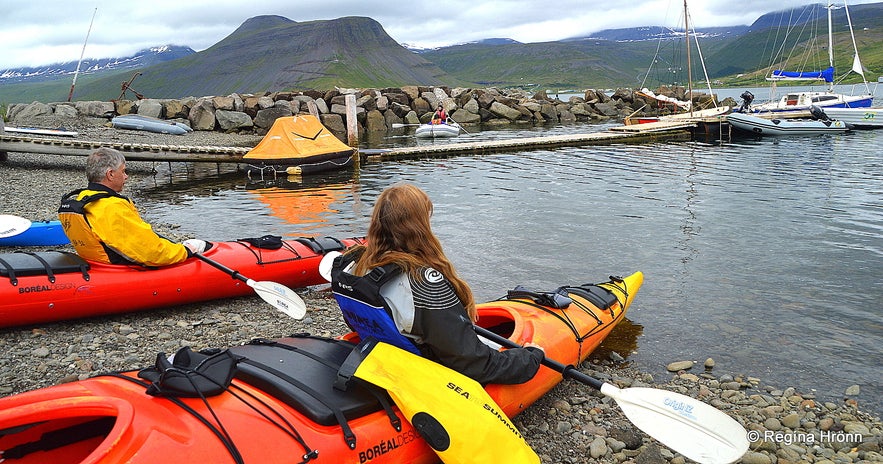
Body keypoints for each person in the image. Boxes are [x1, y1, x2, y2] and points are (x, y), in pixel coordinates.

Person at [331, 183, 544, 385]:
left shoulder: (355, 266)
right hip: (424, 368)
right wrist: (529, 358)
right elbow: (473, 363)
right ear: (420, 227)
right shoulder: (424, 282)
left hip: (391, 349)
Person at [59, 147, 207, 266]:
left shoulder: (82, 199)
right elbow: (151, 253)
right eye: (123, 171)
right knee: (197, 246)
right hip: (117, 268)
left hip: (97, 262)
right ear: (110, 174)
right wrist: (186, 250)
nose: (126, 176)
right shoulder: (111, 207)